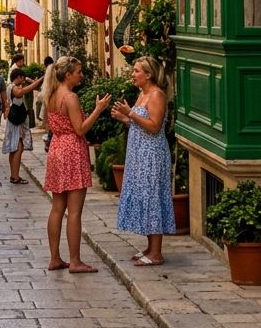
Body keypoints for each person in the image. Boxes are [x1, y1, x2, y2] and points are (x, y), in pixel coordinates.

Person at [41, 56, 112, 272]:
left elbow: (48, 124)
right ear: (68, 74)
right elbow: (80, 129)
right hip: (72, 150)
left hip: (56, 148)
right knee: (74, 211)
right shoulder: (70, 97)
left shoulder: (50, 94)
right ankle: (75, 261)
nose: (81, 75)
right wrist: (98, 109)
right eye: (79, 72)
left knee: (56, 207)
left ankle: (55, 258)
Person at [112, 56, 175, 266]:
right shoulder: (142, 94)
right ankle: (150, 247)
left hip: (152, 154)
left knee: (152, 197)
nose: (133, 74)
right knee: (143, 195)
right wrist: (125, 118)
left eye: (136, 71)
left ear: (148, 74)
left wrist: (129, 112)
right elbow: (140, 124)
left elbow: (155, 126)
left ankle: (156, 253)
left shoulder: (157, 95)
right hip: (139, 152)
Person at [3, 67, 44, 184]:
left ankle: (14, 175)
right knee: (17, 148)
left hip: (16, 121)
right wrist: (38, 80)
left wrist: (34, 81)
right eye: (22, 77)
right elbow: (21, 93)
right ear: (19, 77)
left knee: (15, 148)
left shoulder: (13, 86)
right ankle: (15, 176)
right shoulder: (13, 87)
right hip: (16, 122)